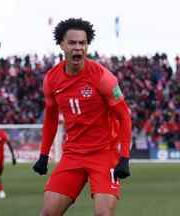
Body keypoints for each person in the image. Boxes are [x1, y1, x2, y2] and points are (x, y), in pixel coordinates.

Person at [33, 18, 132, 216]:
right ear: (61, 45)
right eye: (72, 43)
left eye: (82, 43)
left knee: (103, 214)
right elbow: (51, 118)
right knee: (47, 213)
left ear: (87, 45)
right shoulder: (51, 79)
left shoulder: (103, 78)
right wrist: (44, 155)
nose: (78, 48)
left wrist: (124, 158)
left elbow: (124, 116)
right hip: (73, 154)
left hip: (104, 154)